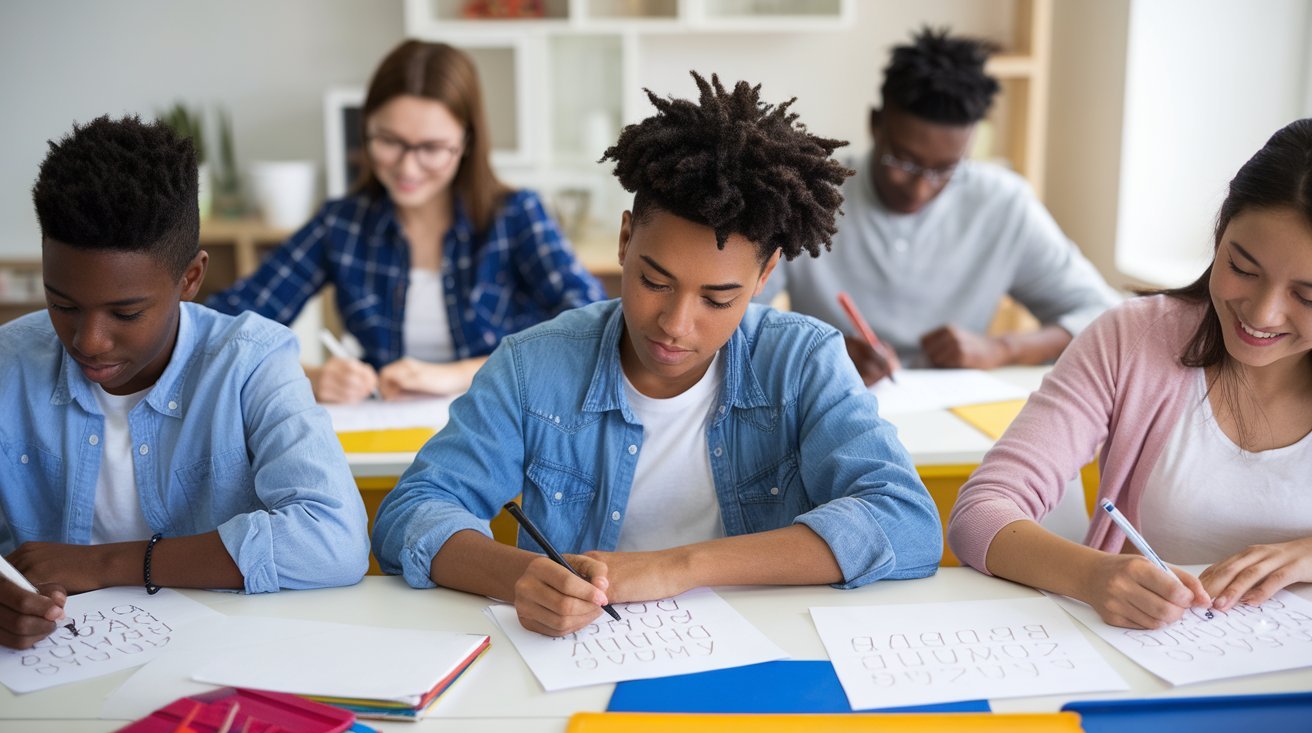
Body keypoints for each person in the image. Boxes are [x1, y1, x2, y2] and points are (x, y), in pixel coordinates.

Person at [372, 72, 942, 637]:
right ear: (625, 241)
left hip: (762, 651)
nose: (675, 324)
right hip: (580, 655)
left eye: (719, 299)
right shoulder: (533, 366)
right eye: (654, 281)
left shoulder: (802, 360)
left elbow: (907, 522)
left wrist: (678, 567)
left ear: (765, 275)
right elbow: (411, 512)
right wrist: (523, 575)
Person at [0, 115, 370, 650]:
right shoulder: (9, 362)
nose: (89, 340)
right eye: (62, 304)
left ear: (190, 279)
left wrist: (107, 563)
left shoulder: (251, 362)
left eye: (125, 314)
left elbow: (332, 540)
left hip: (219, 662)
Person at [947, 118, 1312, 630]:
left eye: (1306, 296)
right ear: (1219, 232)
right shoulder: (1134, 339)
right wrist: (1092, 576)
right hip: (1148, 667)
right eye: (1244, 269)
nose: (1263, 313)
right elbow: (980, 514)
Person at [210, 40, 606, 403]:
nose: (407, 167)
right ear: (366, 129)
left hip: (501, 426)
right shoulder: (341, 225)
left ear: (466, 143)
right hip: (385, 435)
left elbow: (594, 323)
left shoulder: (516, 215)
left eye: (431, 148)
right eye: (389, 141)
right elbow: (222, 327)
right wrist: (307, 377)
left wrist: (459, 374)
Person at [774, 27, 1119, 383]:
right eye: (903, 162)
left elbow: (1103, 316)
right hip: (826, 401)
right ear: (876, 124)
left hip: (955, 417)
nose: (921, 188)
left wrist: (1001, 349)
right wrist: (817, 349)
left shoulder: (1002, 204)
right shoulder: (809, 193)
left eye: (945, 170)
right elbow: (737, 317)